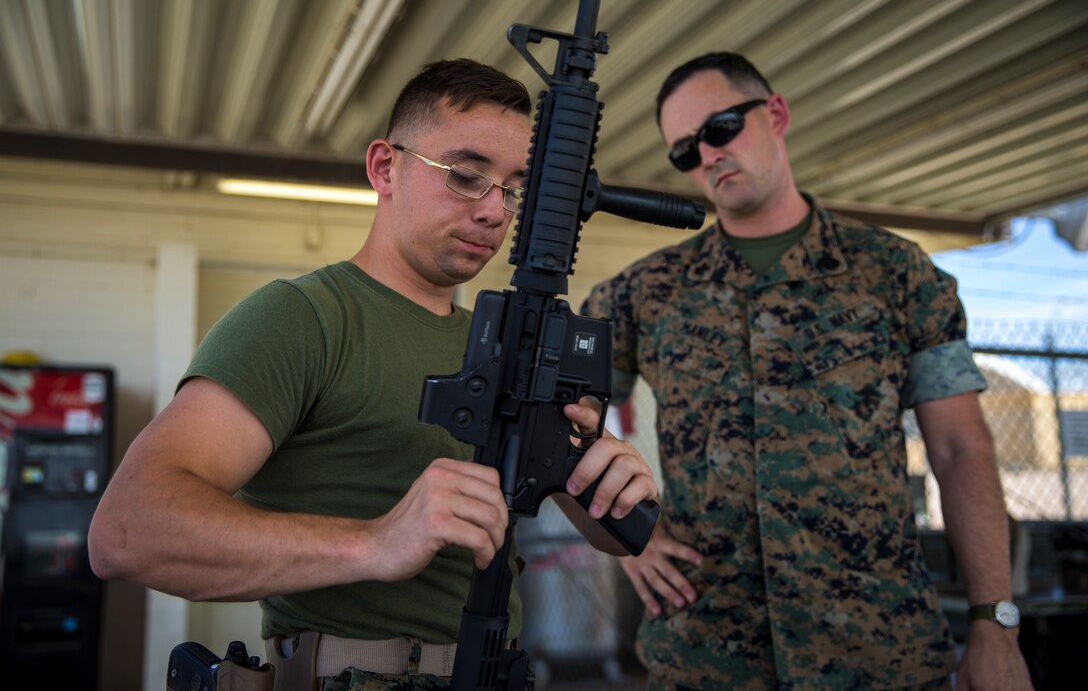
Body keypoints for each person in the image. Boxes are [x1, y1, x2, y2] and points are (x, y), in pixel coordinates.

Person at [88, 58, 658, 690]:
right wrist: (375, 542)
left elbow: (605, 532)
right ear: (386, 167)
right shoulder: (305, 318)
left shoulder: (501, 345)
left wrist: (611, 481)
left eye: (515, 188)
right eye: (467, 176)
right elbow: (129, 530)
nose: (496, 210)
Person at [582, 52, 1033, 690]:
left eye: (719, 129)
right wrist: (626, 533)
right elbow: (566, 421)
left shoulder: (898, 275)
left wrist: (995, 623)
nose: (707, 156)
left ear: (775, 114)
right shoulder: (640, 294)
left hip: (878, 657)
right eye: (685, 150)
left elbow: (961, 450)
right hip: (708, 658)